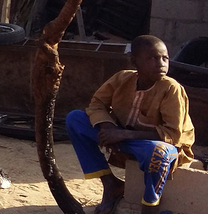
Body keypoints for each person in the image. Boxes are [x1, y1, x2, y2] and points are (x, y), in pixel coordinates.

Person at [66, 35, 195, 214]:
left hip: (162, 147)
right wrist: (107, 126)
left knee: (158, 152)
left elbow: (173, 135)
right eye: (152, 58)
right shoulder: (122, 78)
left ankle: (150, 206)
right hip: (124, 137)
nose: (161, 63)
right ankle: (110, 184)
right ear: (135, 62)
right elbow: (96, 104)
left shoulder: (171, 88)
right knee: (75, 119)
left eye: (165, 58)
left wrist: (123, 135)